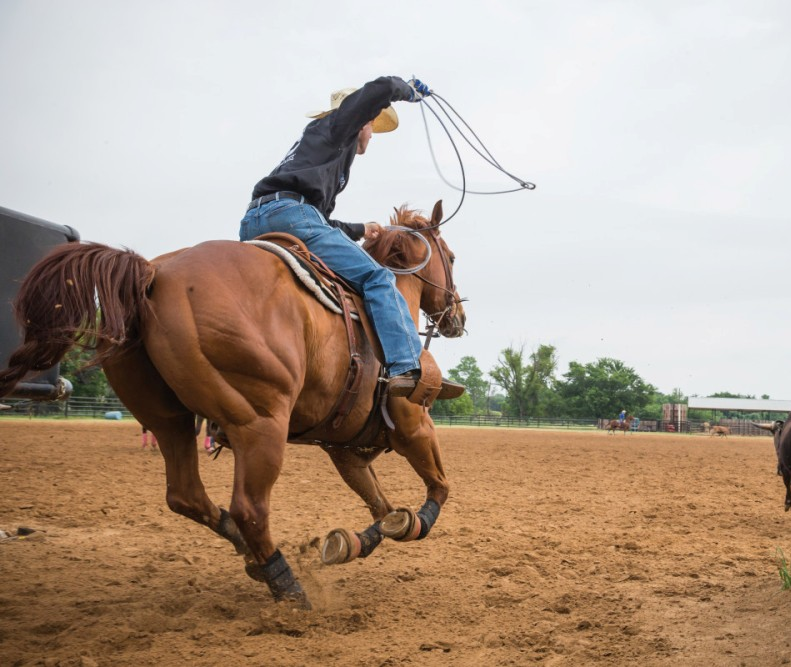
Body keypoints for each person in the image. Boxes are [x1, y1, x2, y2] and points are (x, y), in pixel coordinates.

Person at [239, 75, 460, 399]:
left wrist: (360, 229)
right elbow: (382, 88)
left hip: (255, 220)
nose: (371, 134)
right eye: (371, 126)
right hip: (291, 216)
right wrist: (409, 90)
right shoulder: (339, 126)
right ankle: (407, 365)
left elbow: (318, 222)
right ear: (362, 120)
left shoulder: (317, 148)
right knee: (378, 278)